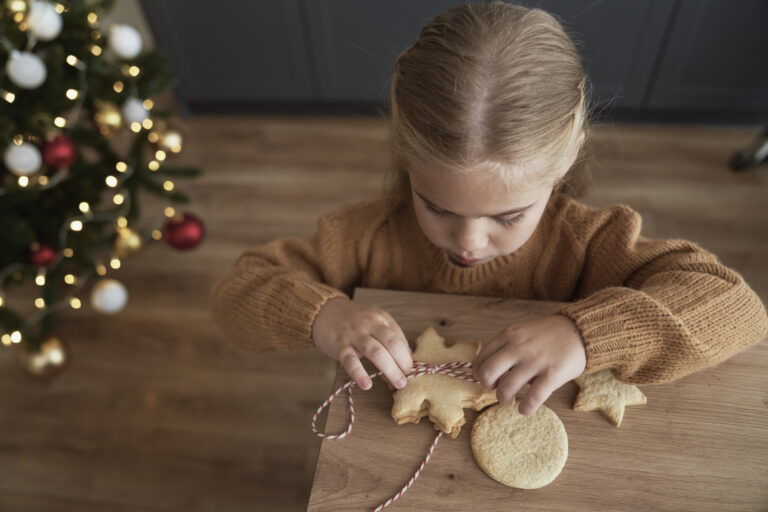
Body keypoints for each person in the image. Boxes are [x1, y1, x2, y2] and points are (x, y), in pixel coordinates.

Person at [209, 2, 767, 416]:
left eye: (507, 217)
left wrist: (585, 336)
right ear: (406, 157)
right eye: (436, 206)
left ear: (568, 156)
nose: (469, 242)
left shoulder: (589, 242)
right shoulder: (362, 236)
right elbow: (236, 295)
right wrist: (322, 316)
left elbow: (737, 308)